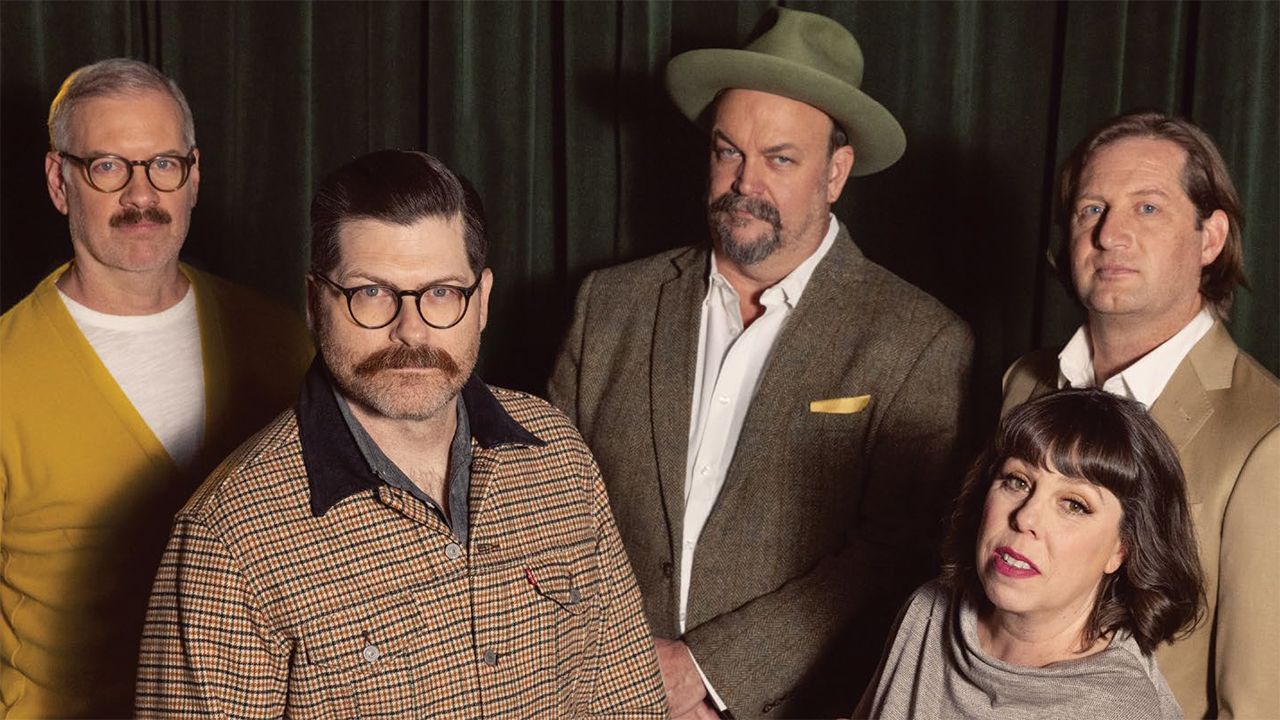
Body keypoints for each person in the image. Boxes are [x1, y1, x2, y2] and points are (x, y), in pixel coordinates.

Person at [548, 8, 973, 718]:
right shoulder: (610, 304)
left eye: (780, 159)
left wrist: (706, 672)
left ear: (835, 173)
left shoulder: (918, 339)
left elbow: (892, 553)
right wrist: (615, 667)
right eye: (728, 152)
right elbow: (546, 508)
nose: (744, 183)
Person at [135, 150, 666, 717]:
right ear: (315, 303)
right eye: (371, 293)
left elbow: (629, 702)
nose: (410, 331)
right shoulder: (230, 535)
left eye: (441, 292)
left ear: (482, 301)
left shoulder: (558, 456)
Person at [0, 58, 310, 718]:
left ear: (193, 177)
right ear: (59, 181)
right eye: (108, 166)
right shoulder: (7, 368)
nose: (141, 195)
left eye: (163, 164)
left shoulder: (281, 341)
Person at [1002, 111, 1279, 718]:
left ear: (1210, 238)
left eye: (1147, 208)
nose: (1110, 235)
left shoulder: (1267, 436)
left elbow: (1256, 706)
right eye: (1091, 209)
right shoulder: (1024, 383)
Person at [858, 388, 1204, 720]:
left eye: (1074, 505)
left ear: (1123, 548)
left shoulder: (1120, 710)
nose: (1025, 518)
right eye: (1017, 481)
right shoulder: (928, 610)